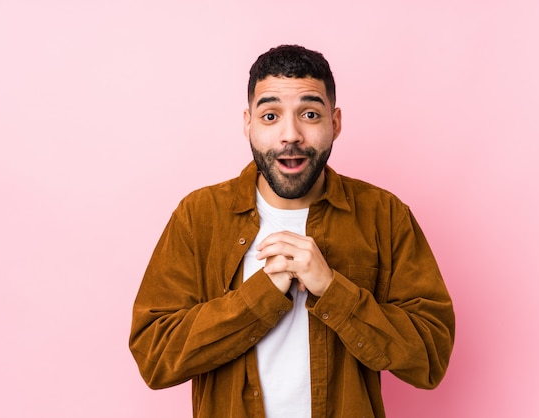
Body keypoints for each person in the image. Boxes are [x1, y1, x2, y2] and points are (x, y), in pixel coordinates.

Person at [129, 44, 455, 418]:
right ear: (248, 124)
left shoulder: (384, 215)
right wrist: (262, 295)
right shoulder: (199, 216)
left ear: (335, 123)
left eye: (310, 114)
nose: (290, 135)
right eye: (270, 116)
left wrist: (332, 289)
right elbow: (154, 357)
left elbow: (430, 357)